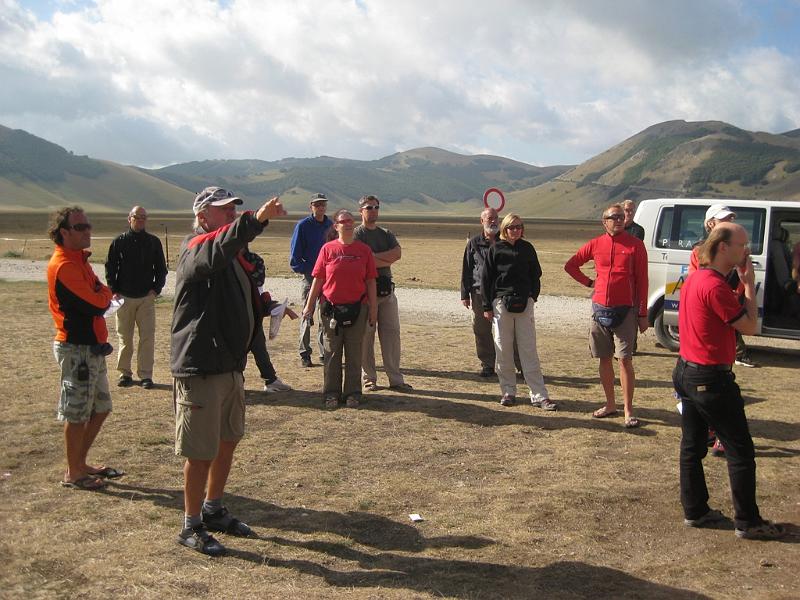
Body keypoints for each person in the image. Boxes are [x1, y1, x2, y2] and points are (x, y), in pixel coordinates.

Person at [171, 186, 287, 556]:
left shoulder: (231, 254)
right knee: (200, 451)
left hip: (230, 366)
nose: (232, 213)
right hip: (201, 365)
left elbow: (241, 293)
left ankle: (214, 508)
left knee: (227, 440)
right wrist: (256, 221)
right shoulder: (195, 248)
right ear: (204, 216)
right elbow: (215, 253)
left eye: (235, 208)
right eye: (224, 209)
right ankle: (191, 524)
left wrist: (266, 307)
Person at [673, 222, 784, 540]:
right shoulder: (715, 286)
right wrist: (749, 287)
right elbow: (749, 327)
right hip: (710, 378)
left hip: (687, 371)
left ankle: (695, 510)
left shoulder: (696, 278)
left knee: (692, 446)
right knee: (740, 450)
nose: (746, 250)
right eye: (742, 244)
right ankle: (748, 521)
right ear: (723, 246)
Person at [47, 206, 121, 490]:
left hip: (92, 347)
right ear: (64, 232)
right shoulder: (65, 265)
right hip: (76, 348)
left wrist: (101, 293)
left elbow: (102, 292)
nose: (87, 230)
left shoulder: (79, 261)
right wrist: (102, 294)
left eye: (88, 225)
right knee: (77, 412)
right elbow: (100, 301)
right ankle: (74, 472)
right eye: (80, 227)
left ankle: (79, 462)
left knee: (100, 407)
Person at [564, 203, 649, 428]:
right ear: (605, 222)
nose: (619, 220)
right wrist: (590, 283)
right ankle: (610, 404)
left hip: (626, 310)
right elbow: (571, 266)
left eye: (622, 216)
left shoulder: (636, 245)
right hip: (599, 308)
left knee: (625, 360)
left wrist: (642, 313)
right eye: (614, 217)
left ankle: (628, 410)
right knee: (604, 358)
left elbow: (642, 280)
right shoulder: (595, 244)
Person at [302, 209, 378, 408]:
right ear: (336, 226)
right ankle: (331, 394)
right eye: (343, 221)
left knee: (354, 353)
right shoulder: (328, 249)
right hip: (331, 310)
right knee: (332, 352)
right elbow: (318, 280)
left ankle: (353, 393)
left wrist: (373, 310)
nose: (348, 224)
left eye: (350, 220)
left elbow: (371, 282)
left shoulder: (364, 250)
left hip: (358, 308)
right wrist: (308, 307)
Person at [481, 214, 555, 410]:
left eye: (519, 227)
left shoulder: (527, 249)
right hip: (500, 304)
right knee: (502, 349)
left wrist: (532, 297)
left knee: (528, 349)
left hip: (524, 302)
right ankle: (508, 391)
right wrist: (487, 306)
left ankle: (539, 395)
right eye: (511, 227)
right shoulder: (496, 249)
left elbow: (536, 275)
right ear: (505, 229)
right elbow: (486, 279)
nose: (515, 230)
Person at [105, 206, 168, 389]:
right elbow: (111, 268)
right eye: (136, 217)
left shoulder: (153, 242)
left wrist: (155, 290)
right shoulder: (119, 242)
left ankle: (146, 375)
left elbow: (161, 269)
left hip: (146, 299)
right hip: (124, 297)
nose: (140, 220)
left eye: (143, 217)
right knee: (125, 337)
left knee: (147, 338)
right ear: (129, 219)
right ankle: (125, 373)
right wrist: (113, 290)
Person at [688, 204, 756, 370]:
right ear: (711, 223)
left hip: (729, 299)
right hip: (706, 365)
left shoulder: (735, 252)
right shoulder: (699, 252)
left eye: (731, 218)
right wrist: (748, 285)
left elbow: (740, 277)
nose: (729, 221)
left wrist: (739, 291)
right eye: (724, 218)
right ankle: (739, 353)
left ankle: (738, 353)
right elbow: (750, 326)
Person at [354, 195, 412, 391]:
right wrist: (384, 260)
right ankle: (369, 379)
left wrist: (373, 258)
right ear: (360, 210)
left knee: (392, 335)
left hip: (387, 293)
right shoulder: (356, 235)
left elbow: (397, 254)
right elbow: (361, 260)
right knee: (365, 338)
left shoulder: (386, 233)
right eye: (369, 207)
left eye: (376, 207)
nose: (373, 210)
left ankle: (396, 379)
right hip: (365, 295)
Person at [241, 248, 294, 393]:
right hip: (235, 313)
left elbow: (258, 285)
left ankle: (270, 379)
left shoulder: (254, 259)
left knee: (259, 346)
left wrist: (271, 306)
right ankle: (237, 382)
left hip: (252, 311)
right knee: (239, 350)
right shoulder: (226, 259)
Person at [290, 193, 332, 368]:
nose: (321, 207)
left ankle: (324, 353)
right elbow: (295, 257)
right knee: (307, 315)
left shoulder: (331, 225)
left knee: (326, 316)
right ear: (311, 207)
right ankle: (304, 353)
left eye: (323, 204)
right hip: (310, 277)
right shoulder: (303, 226)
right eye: (317, 205)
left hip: (329, 278)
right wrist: (310, 270)